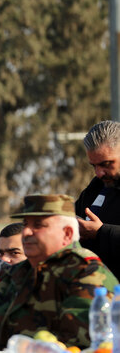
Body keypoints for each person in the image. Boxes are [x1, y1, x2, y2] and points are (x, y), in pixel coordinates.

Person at [0, 194, 119, 350]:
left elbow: (79, 345)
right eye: (25, 224)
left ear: (67, 233)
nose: (27, 232)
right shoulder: (15, 274)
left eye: (38, 225)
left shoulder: (87, 274)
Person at [75, 120, 120, 279]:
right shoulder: (97, 186)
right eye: (93, 166)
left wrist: (101, 232)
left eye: (106, 164)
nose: (99, 173)